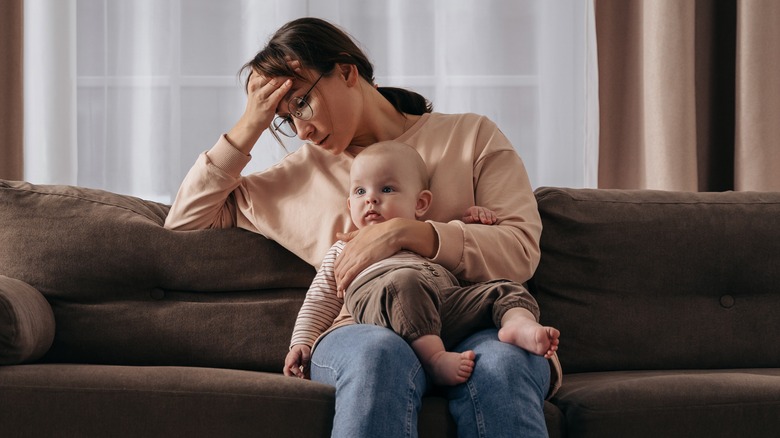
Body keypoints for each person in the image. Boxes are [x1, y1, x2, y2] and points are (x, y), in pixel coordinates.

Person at [165, 16, 560, 438]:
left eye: (300, 102)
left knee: (502, 364)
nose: (300, 130)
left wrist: (409, 233)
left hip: (474, 321)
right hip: (362, 329)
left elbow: (519, 251)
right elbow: (185, 222)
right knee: (379, 354)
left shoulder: (470, 137)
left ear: (347, 72)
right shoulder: (292, 179)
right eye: (284, 118)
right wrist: (250, 124)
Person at [284, 141, 559, 386]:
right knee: (405, 282)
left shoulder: (432, 233)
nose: (370, 198)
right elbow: (319, 299)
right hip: (383, 307)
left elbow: (468, 265)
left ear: (420, 203)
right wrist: (302, 342)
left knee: (505, 289)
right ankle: (434, 359)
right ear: (349, 205)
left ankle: (517, 325)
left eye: (387, 189)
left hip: (441, 307)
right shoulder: (345, 247)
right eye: (359, 191)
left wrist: (475, 223)